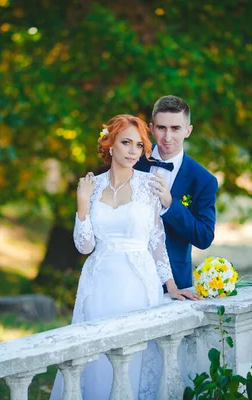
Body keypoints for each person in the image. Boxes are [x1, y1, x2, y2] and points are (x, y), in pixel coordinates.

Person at [49, 114, 198, 400]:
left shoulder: (149, 185)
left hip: (138, 284)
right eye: (126, 143)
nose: (133, 151)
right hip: (99, 284)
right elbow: (84, 246)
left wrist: (170, 285)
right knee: (96, 358)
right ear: (110, 144)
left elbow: (157, 240)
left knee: (134, 357)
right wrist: (82, 203)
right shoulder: (91, 188)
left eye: (139, 145)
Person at [135, 95, 218, 291]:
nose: (168, 137)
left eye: (175, 128)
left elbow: (204, 237)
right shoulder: (132, 160)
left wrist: (171, 204)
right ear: (152, 128)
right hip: (129, 273)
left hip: (173, 281)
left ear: (188, 130)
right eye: (162, 128)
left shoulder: (203, 180)